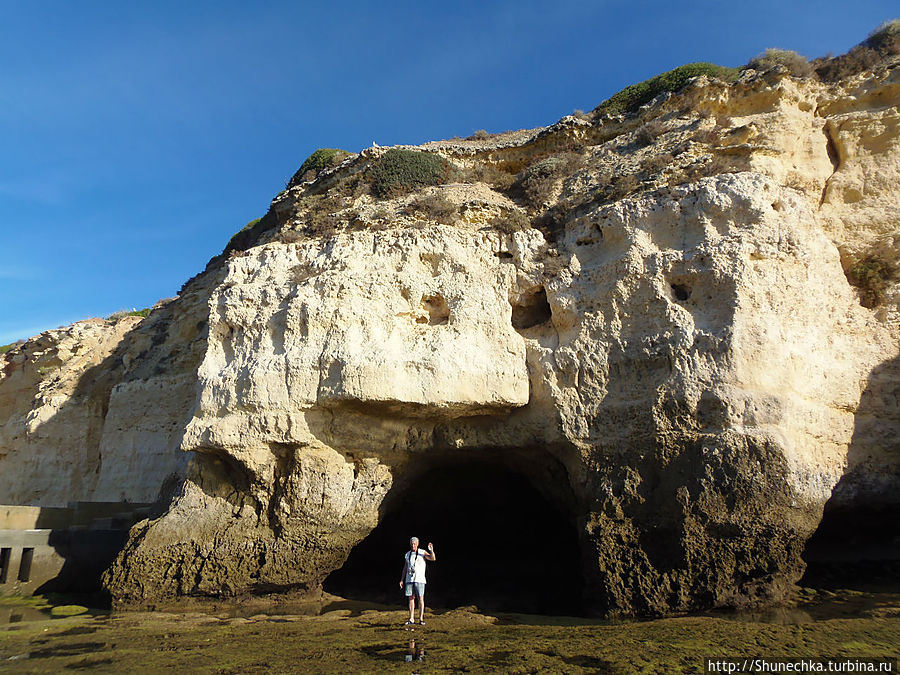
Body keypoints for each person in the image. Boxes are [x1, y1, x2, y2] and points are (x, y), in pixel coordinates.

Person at [399, 536, 435, 625]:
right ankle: (411, 619)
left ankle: (421, 618)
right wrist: (402, 580)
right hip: (409, 580)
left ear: (417, 544)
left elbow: (432, 558)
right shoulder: (407, 554)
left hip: (420, 579)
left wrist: (431, 550)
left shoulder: (422, 552)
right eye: (412, 543)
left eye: (414, 543)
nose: (413, 545)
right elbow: (405, 568)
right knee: (411, 598)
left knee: (420, 598)